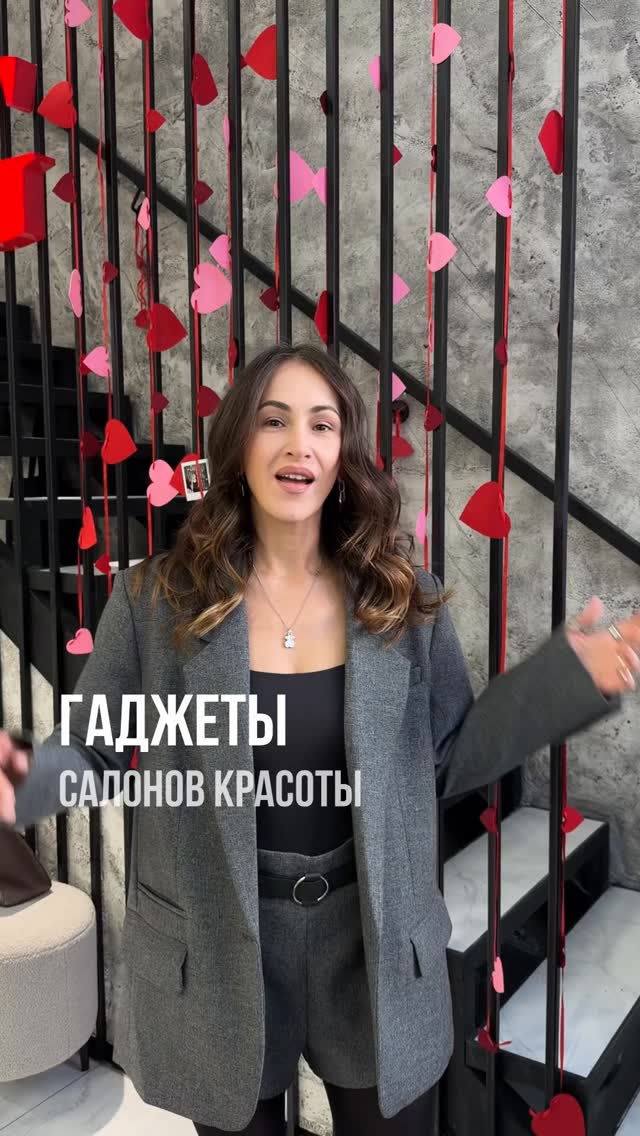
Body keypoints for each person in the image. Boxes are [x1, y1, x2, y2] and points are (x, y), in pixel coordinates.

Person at [0, 342, 638, 1136]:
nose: (298, 444)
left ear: (343, 456)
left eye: (322, 424)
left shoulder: (402, 601)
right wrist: (22, 780)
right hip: (218, 941)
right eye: (274, 421)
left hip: (368, 939)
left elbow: (447, 758)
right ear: (239, 444)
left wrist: (563, 686)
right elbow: (94, 748)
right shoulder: (153, 603)